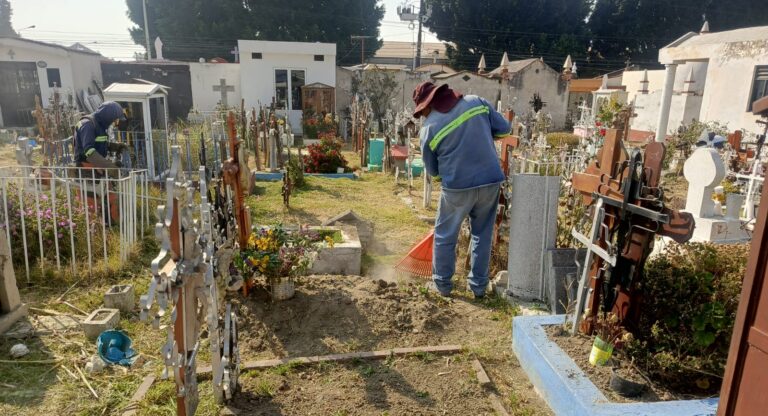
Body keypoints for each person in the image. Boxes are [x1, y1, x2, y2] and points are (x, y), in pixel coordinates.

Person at [413, 81, 511, 299]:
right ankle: (478, 287)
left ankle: (442, 285)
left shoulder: (429, 128)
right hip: (490, 182)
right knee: (482, 234)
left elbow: (433, 171)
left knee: (445, 236)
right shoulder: (477, 102)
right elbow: (505, 130)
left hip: (457, 187)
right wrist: (482, 133)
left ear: (429, 104)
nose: (423, 116)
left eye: (423, 110)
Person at [73, 101, 127, 171]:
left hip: (96, 167)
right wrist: (109, 167)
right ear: (108, 116)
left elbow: (98, 144)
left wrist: (115, 146)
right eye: (114, 119)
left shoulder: (100, 125)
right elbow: (89, 151)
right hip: (85, 171)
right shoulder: (88, 124)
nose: (115, 123)